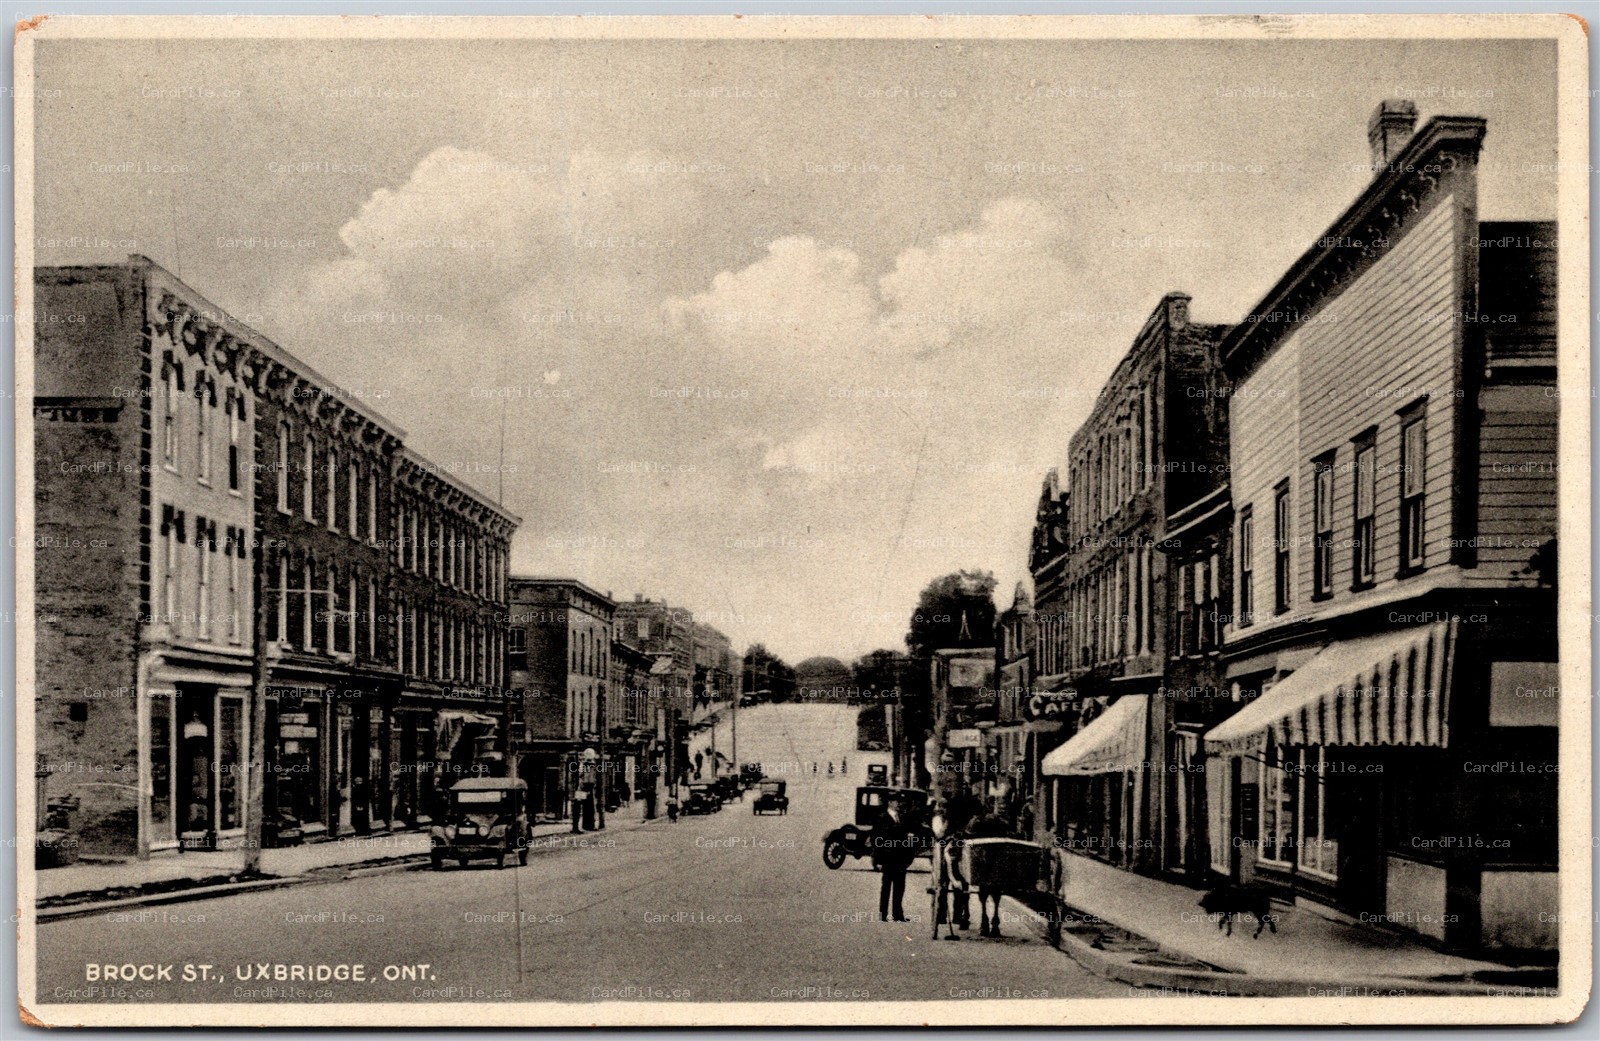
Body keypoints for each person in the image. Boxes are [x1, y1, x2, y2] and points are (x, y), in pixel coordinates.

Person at [872, 797, 915, 922]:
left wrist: (909, 856)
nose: (899, 804)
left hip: (900, 859)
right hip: (887, 858)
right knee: (886, 886)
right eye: (896, 801)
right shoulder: (881, 818)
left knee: (900, 887)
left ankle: (898, 914)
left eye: (899, 802)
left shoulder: (902, 818)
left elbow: (908, 837)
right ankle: (883, 914)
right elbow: (876, 840)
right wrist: (878, 860)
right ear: (890, 802)